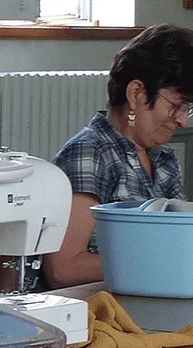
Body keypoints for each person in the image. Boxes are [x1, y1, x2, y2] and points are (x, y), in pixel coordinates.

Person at [44, 25, 193, 288]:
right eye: (177, 106)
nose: (183, 121)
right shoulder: (90, 153)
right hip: (102, 308)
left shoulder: (164, 158)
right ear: (136, 94)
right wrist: (160, 261)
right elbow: (64, 267)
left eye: (188, 108)